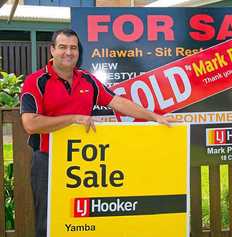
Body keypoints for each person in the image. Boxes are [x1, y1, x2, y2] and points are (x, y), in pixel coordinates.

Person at [20, 29, 175, 237]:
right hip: (48, 160)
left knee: (83, 220)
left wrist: (155, 116)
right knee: (47, 222)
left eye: (73, 48)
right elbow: (30, 124)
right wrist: (74, 118)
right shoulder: (35, 81)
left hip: (85, 163)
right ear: (52, 50)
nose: (68, 52)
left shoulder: (88, 80)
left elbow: (117, 102)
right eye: (63, 47)